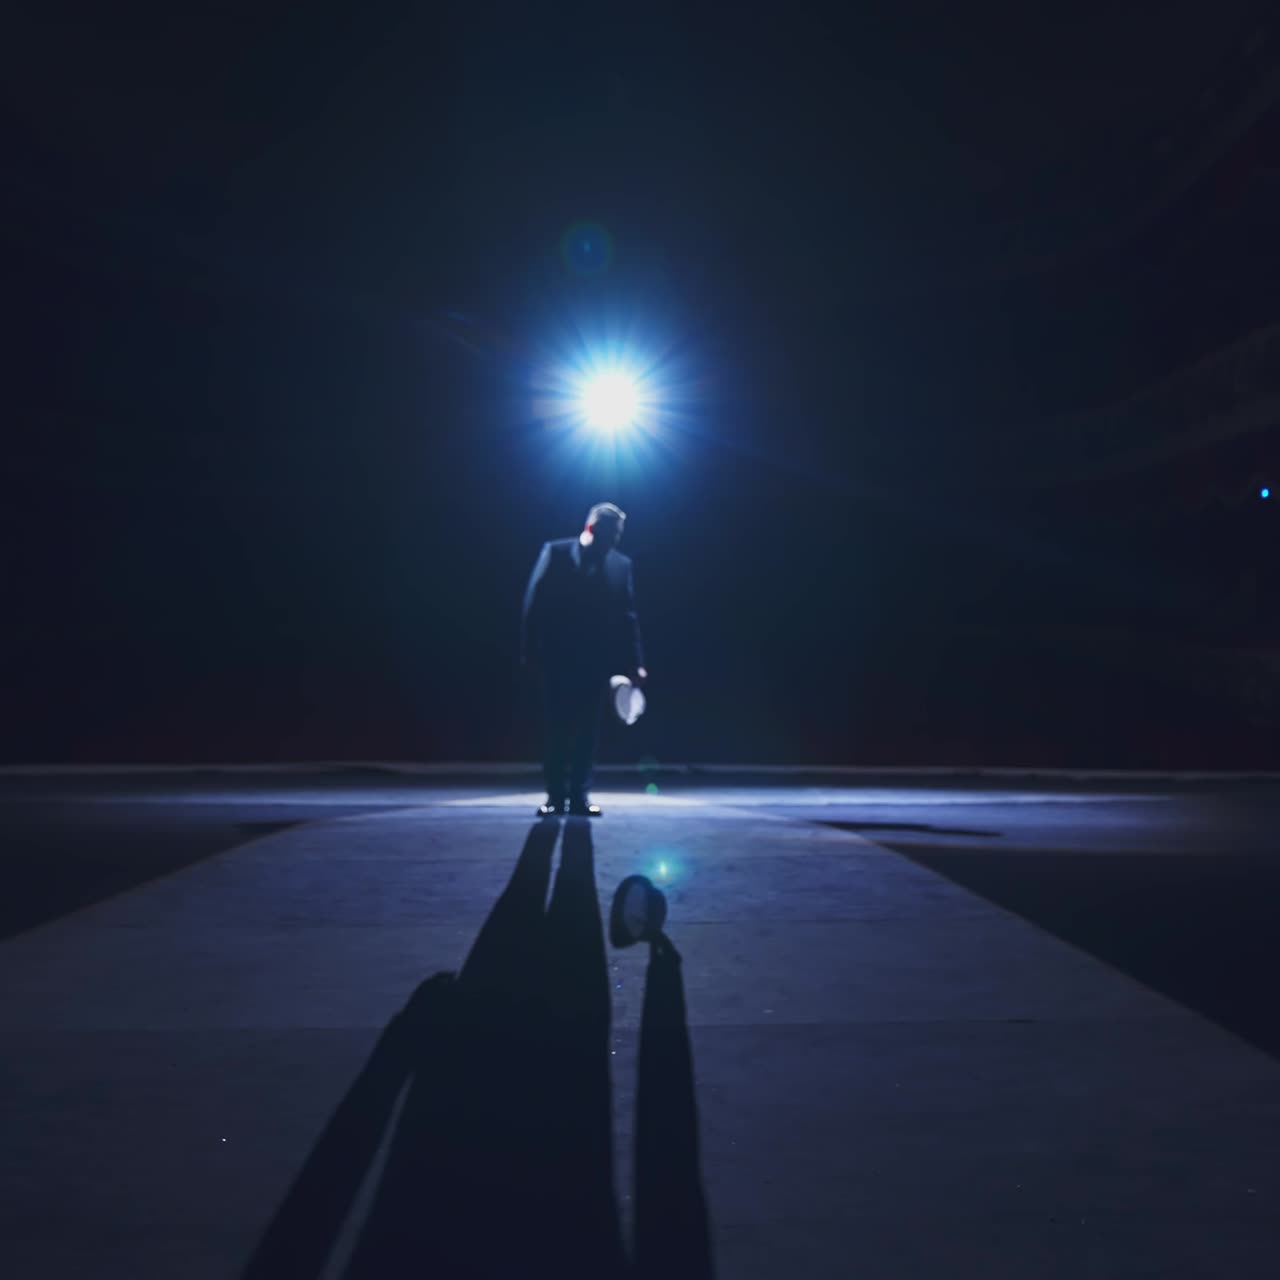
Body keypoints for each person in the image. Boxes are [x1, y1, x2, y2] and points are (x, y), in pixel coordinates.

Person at [521, 502, 647, 817]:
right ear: (592, 529)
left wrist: (636, 662)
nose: (616, 541)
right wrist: (530, 653)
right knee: (557, 728)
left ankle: (579, 795)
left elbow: (627, 616)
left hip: (595, 662)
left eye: (618, 534)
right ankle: (554, 796)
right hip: (558, 660)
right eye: (611, 534)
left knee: (587, 730)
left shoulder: (621, 565)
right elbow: (533, 605)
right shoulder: (557, 553)